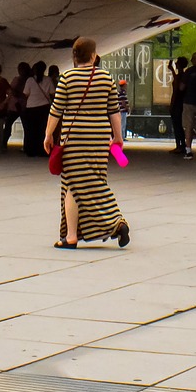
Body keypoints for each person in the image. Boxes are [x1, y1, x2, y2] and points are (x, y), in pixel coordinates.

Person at [46, 37, 127, 247]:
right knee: (96, 180)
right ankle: (113, 223)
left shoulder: (67, 78)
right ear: (93, 56)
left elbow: (56, 111)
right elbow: (114, 112)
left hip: (74, 139)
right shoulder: (106, 78)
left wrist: (48, 134)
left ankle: (74, 235)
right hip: (99, 138)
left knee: (73, 184)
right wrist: (117, 138)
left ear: (74, 56)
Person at [22, 60, 53, 158]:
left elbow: (26, 94)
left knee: (30, 131)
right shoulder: (48, 80)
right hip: (44, 108)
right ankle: (43, 150)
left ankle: (30, 150)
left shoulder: (30, 80)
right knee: (42, 130)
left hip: (31, 108)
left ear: (34, 70)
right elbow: (53, 93)